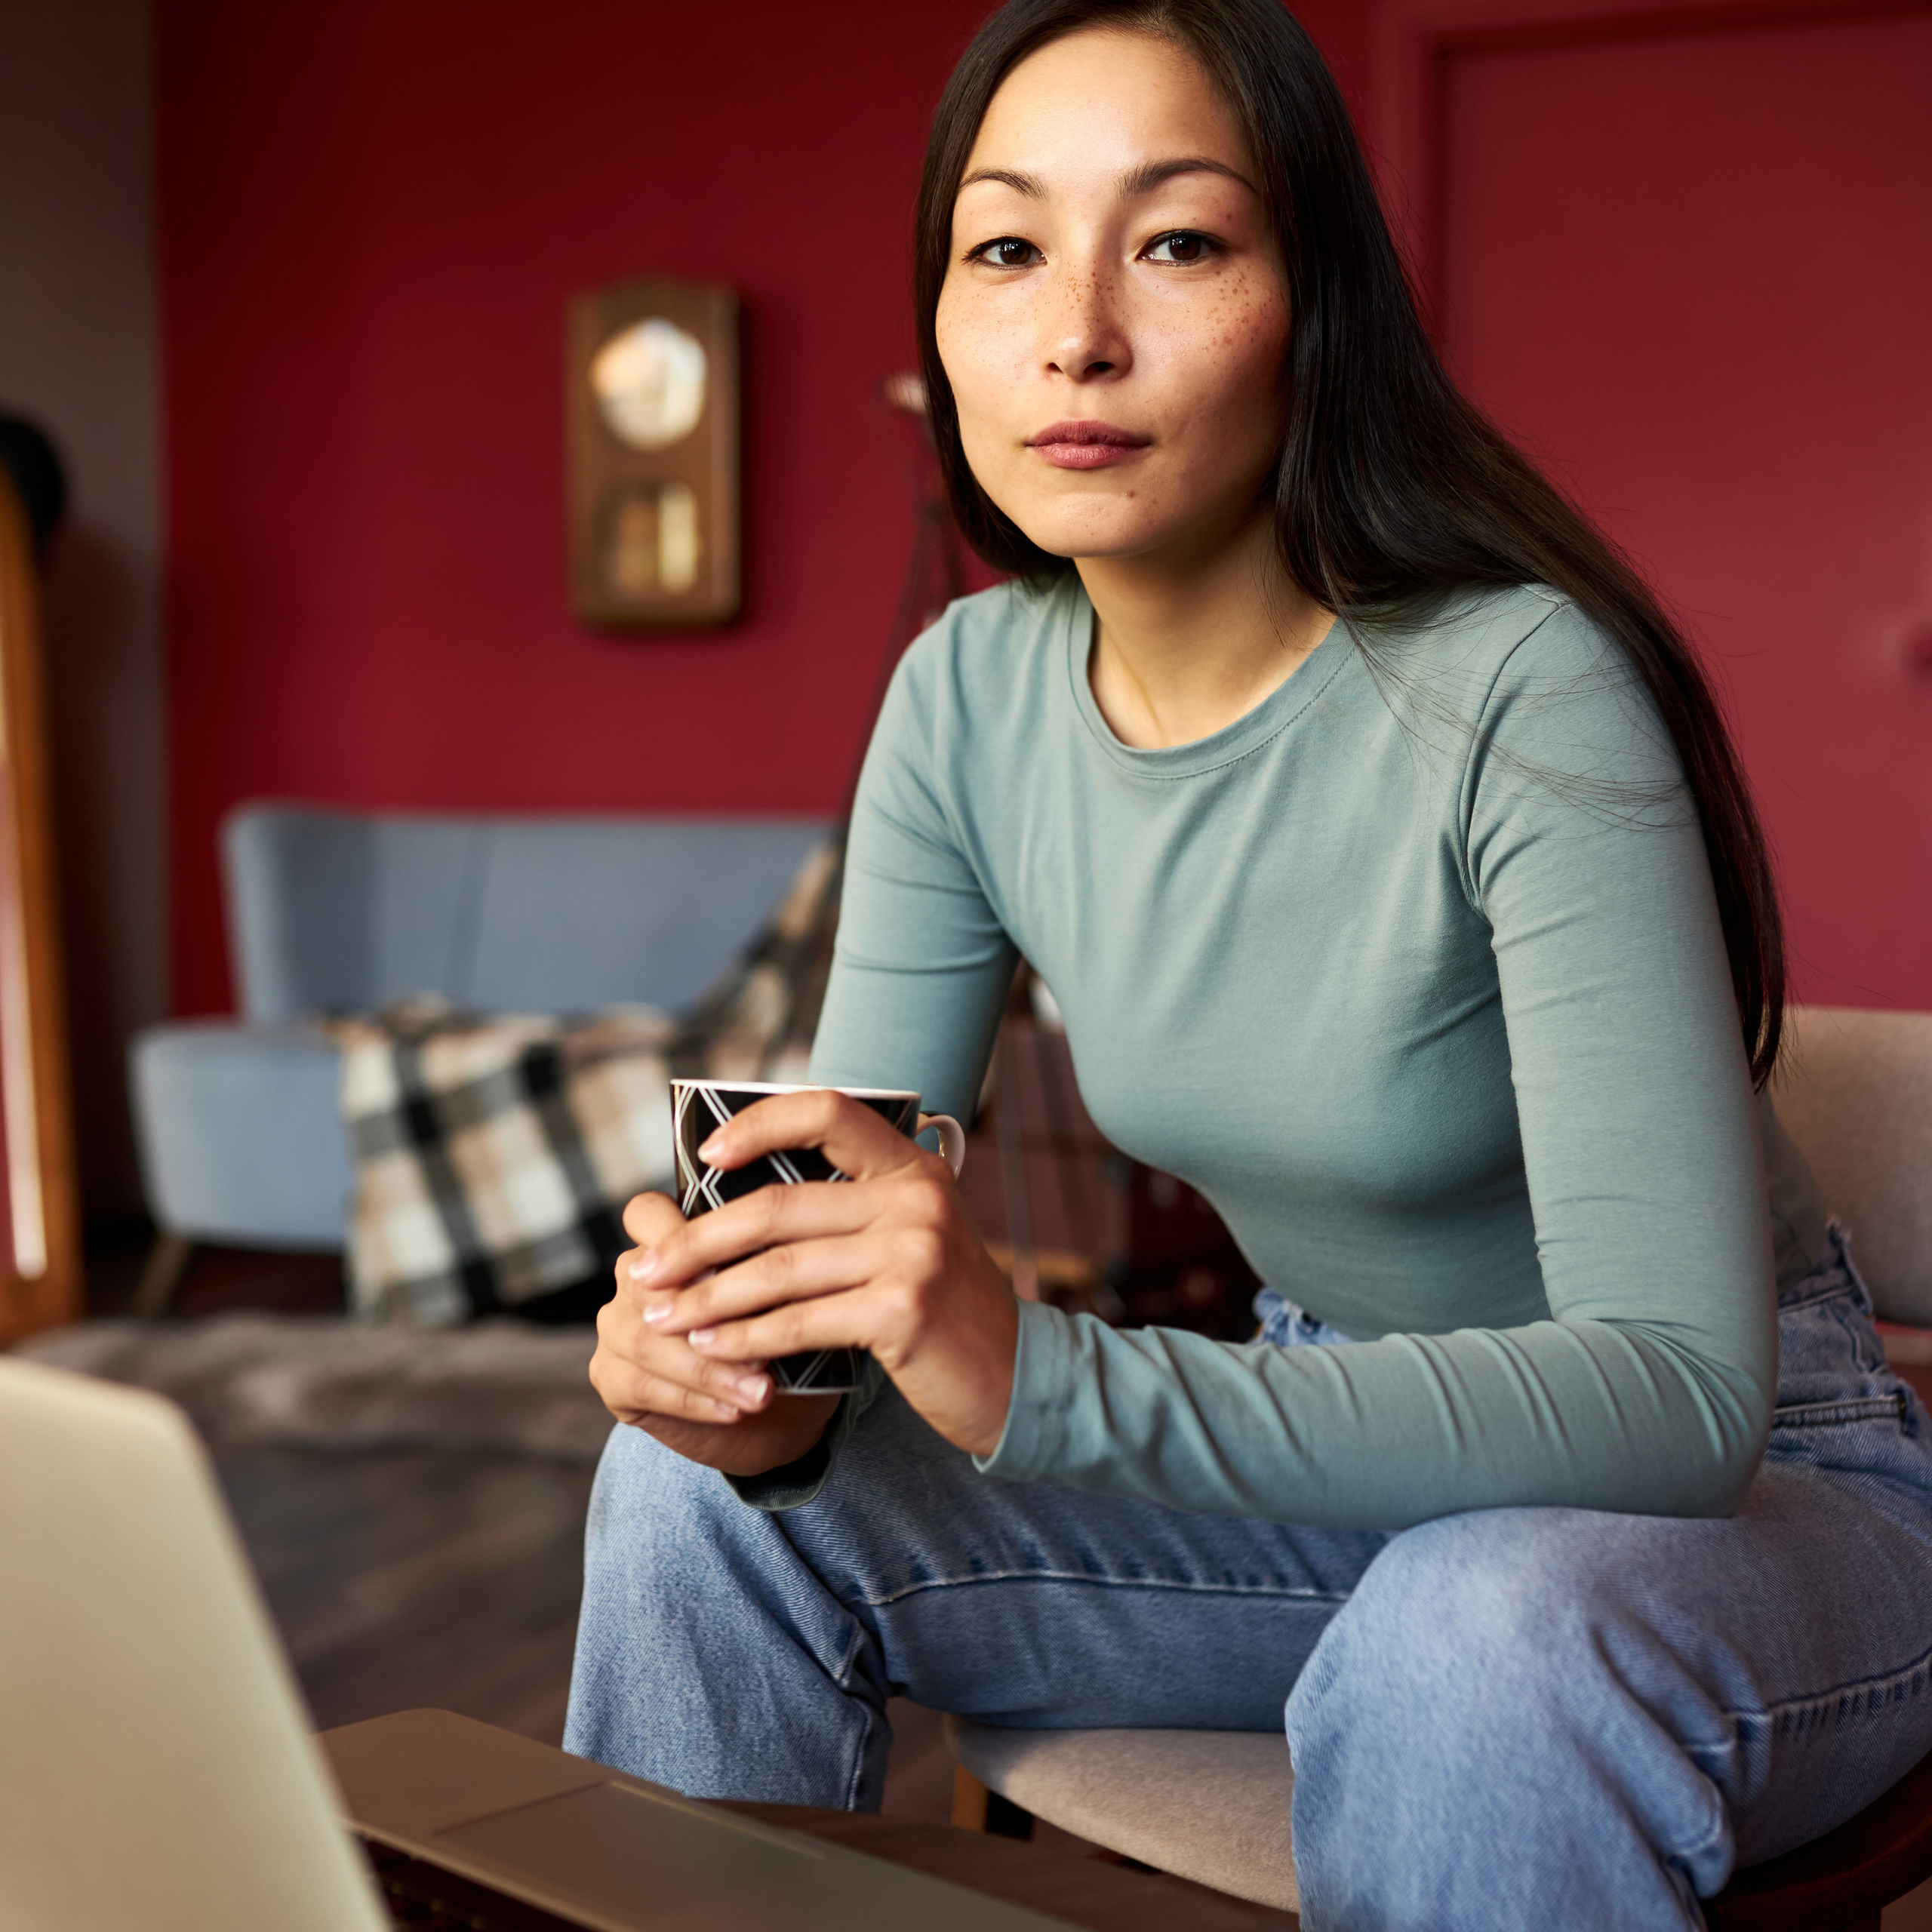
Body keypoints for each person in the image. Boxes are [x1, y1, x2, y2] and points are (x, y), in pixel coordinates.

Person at [565, 3, 1932, 1924]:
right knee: (696, 1498)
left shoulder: (1517, 684)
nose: (1077, 331)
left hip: (1736, 1496)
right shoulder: (962, 702)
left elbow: (1671, 1397)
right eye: (1006, 247)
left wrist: (1040, 1378)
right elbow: (839, 1230)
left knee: (1475, 1630)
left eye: (1179, 240)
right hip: (1310, 1462)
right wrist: (755, 1373)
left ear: (1314, 306)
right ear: (942, 326)